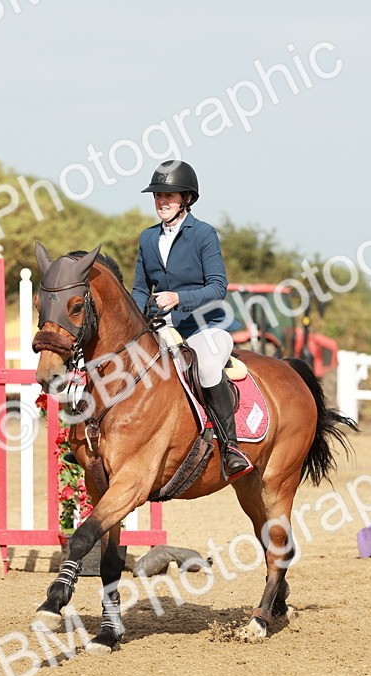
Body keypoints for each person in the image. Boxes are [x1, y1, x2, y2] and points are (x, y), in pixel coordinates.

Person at [131, 160, 251, 480]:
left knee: (208, 366)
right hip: (163, 328)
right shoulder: (147, 238)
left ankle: (230, 447)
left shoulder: (203, 234)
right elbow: (141, 289)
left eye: (169, 195)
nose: (162, 201)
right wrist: (135, 317)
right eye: (157, 195)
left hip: (207, 326)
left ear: (187, 198)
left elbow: (218, 287)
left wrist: (178, 298)